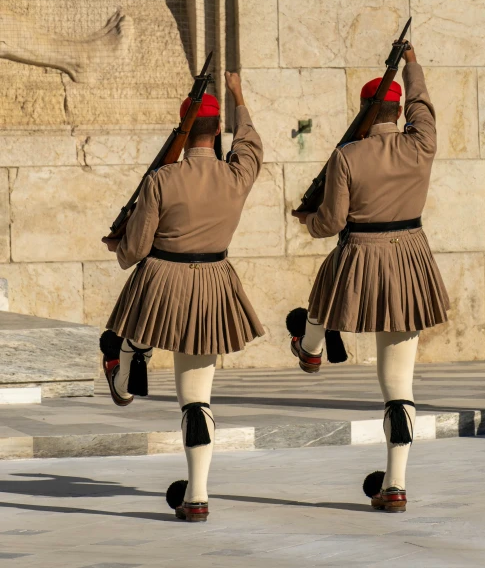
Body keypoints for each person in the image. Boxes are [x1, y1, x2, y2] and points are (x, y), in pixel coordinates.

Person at [291, 43, 449, 513]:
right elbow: (424, 106)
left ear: (363, 111)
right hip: (410, 260)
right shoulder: (421, 142)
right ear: (399, 110)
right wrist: (412, 64)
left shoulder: (349, 156)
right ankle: (395, 485)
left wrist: (307, 220)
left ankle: (312, 348)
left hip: (361, 255)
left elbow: (331, 223)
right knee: (399, 386)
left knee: (324, 284)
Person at [100, 71, 264, 523]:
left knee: (129, 332)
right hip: (212, 283)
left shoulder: (163, 179)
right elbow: (252, 145)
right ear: (218, 134)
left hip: (161, 283)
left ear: (184, 131)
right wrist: (238, 98)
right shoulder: (237, 175)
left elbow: (133, 251)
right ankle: (197, 495)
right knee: (197, 399)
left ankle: (128, 368)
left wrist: (121, 243)